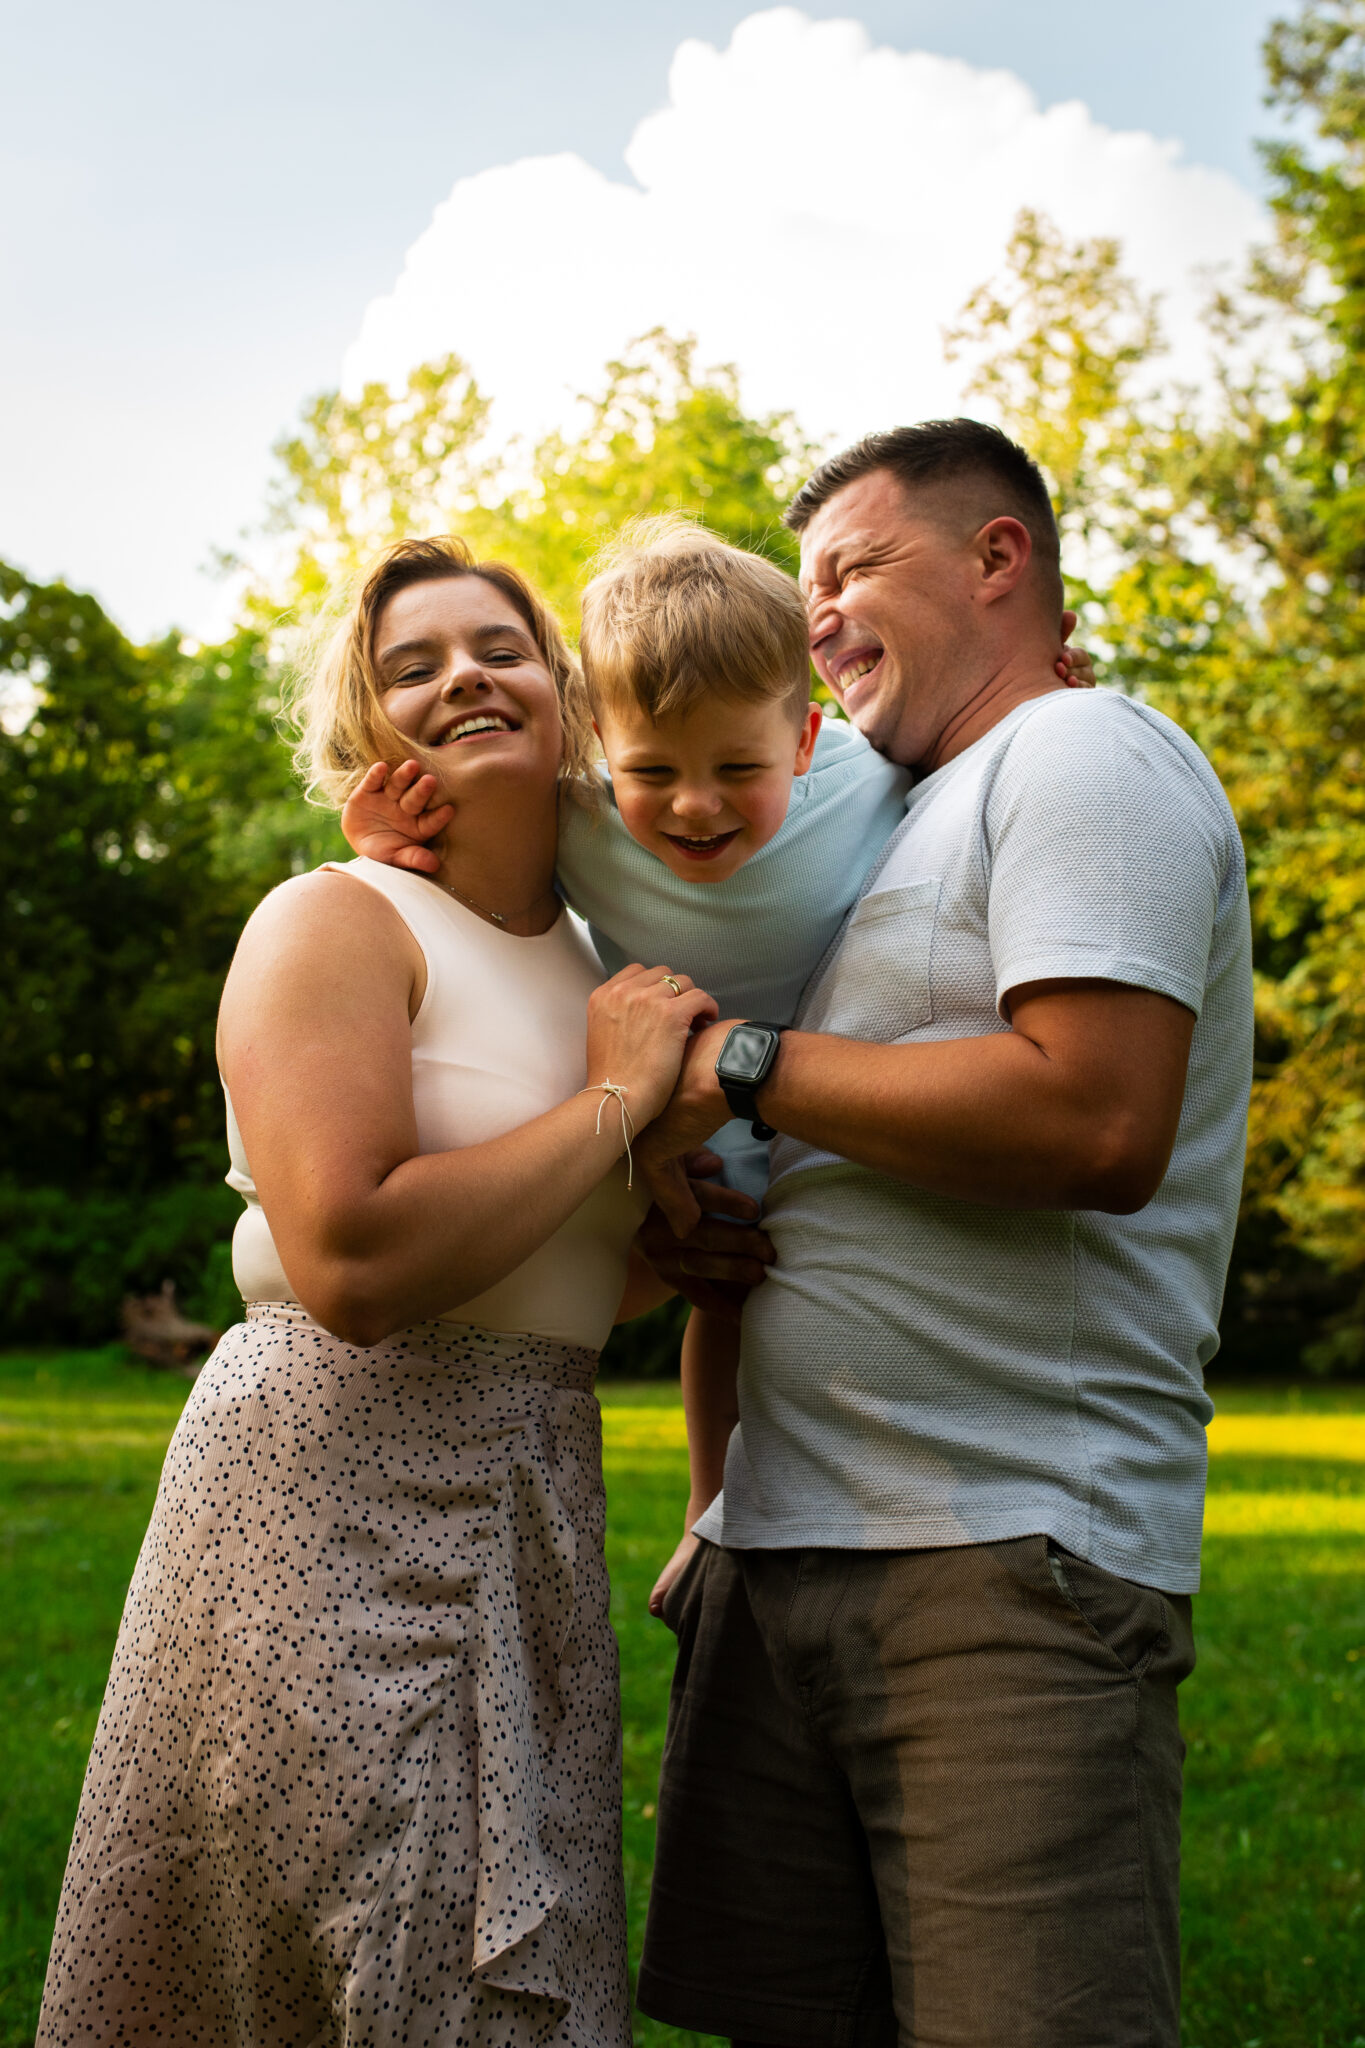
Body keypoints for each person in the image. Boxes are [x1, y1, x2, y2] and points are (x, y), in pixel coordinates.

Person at [35, 535, 718, 2048]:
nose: (464, 675)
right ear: (372, 733)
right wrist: (612, 1107)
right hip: (319, 1499)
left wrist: (672, 1243)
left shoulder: (611, 960)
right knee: (356, 1962)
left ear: (565, 694)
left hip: (529, 1492)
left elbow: (556, 1284)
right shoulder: (333, 920)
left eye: (499, 647)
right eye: (413, 667)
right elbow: (350, 1258)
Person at [628, 420, 1255, 2048]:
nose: (816, 615)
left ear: (1001, 559)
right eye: (805, 586)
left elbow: (1096, 1117)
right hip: (776, 1557)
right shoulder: (874, 823)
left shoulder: (1084, 757)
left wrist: (747, 1064)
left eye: (849, 568)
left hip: (998, 1558)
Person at [344, 517, 1094, 1613]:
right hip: (689, 1109)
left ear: (802, 740)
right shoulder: (576, 814)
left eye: (738, 768)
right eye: (655, 771)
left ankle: (928, 1487)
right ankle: (713, 1512)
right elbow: (472, 847)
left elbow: (976, 745)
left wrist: (1048, 692)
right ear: (597, 742)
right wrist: (386, 825)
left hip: (844, 1085)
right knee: (723, 1295)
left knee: (828, 1293)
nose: (695, 805)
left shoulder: (867, 779)